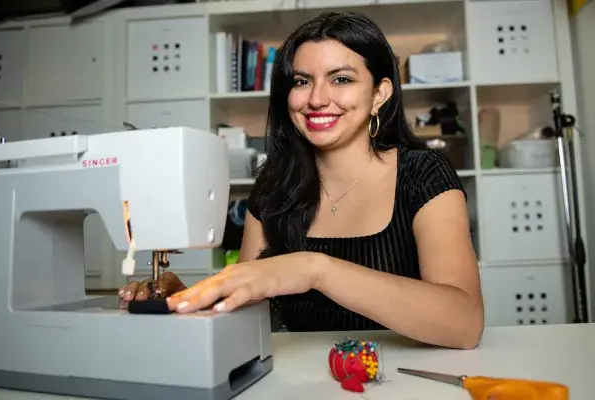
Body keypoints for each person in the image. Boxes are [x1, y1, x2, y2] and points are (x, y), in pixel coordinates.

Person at [119, 11, 484, 350]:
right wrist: (186, 299)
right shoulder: (273, 189)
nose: (316, 99)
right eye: (302, 81)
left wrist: (314, 269)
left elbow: (465, 324)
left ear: (379, 94)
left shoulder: (424, 174)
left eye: (341, 79)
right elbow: (251, 312)